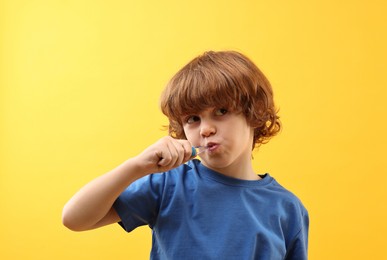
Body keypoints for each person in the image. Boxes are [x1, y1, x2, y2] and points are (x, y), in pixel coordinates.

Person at [62, 50, 309, 259]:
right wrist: (136, 167)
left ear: (254, 114)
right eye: (193, 119)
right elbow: (74, 219)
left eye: (221, 111)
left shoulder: (287, 208)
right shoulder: (168, 184)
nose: (206, 129)